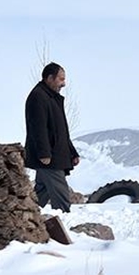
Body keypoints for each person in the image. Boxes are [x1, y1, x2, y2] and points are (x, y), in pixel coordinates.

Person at [24, 62, 80, 212]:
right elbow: (37, 128)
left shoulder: (52, 98)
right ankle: (64, 222)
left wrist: (72, 152)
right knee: (60, 193)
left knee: (41, 192)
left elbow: (61, 130)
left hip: (55, 154)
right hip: (50, 157)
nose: (64, 84)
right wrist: (44, 153)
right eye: (60, 79)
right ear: (49, 78)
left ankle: (26, 216)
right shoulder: (38, 97)